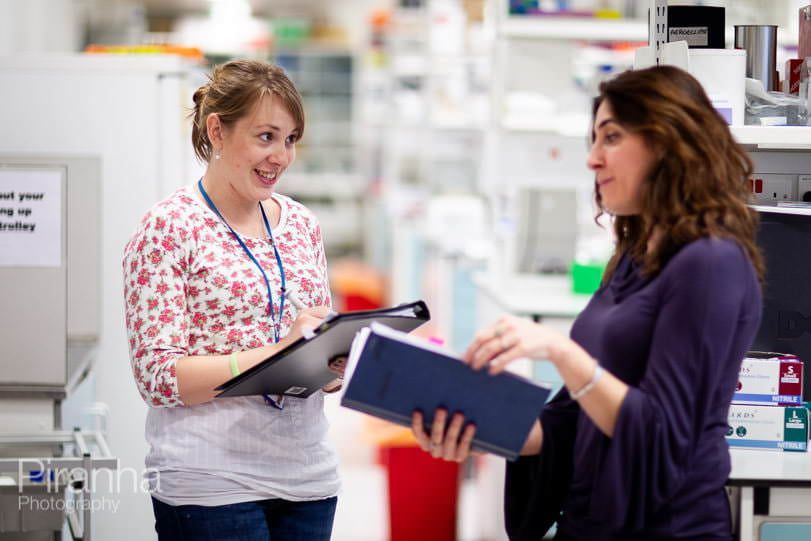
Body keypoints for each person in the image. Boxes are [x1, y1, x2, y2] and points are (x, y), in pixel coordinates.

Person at [411, 65, 764, 541]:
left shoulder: (712, 263)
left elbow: (662, 434)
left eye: (611, 137)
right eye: (593, 140)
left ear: (668, 143)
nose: (593, 159)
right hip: (592, 522)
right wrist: (481, 427)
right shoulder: (633, 259)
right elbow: (576, 424)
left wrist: (560, 351)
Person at [122, 59, 343, 540]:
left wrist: (333, 360)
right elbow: (158, 378)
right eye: (266, 137)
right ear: (217, 131)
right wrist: (282, 354)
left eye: (290, 140)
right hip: (209, 480)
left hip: (307, 477)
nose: (281, 156)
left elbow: (317, 358)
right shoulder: (169, 228)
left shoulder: (302, 224)